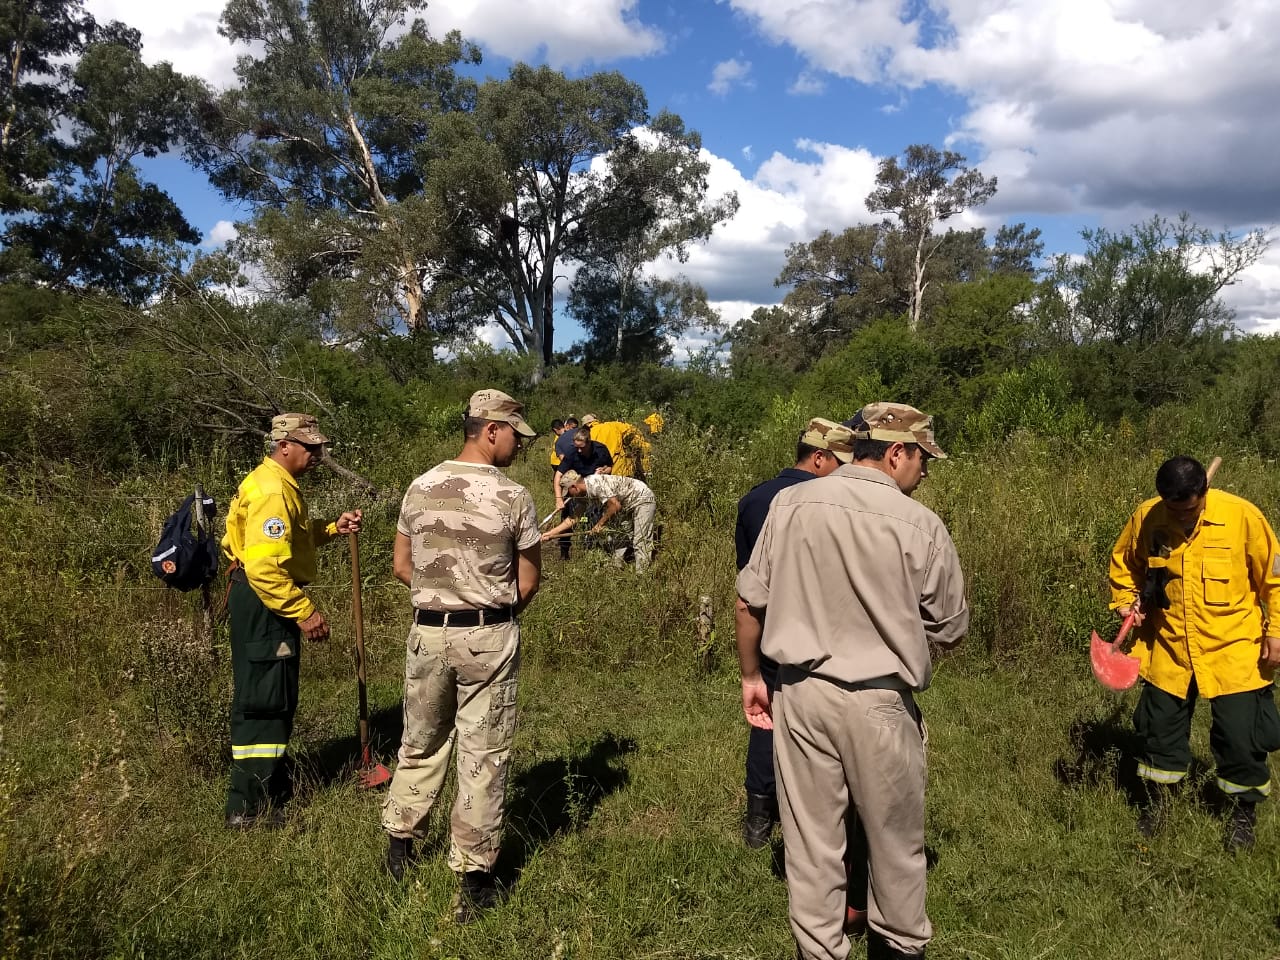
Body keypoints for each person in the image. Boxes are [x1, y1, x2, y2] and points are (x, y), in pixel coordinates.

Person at [736, 402, 968, 960]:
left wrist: (752, 675)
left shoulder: (789, 504)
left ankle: (818, 950)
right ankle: (897, 946)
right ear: (896, 452)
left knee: (813, 847)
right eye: (922, 458)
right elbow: (952, 626)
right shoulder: (920, 524)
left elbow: (751, 598)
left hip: (800, 695)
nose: (924, 471)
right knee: (895, 847)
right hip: (880, 704)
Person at [381, 389, 542, 922]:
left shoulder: (420, 487)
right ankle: (474, 880)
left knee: (420, 740)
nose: (519, 445)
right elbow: (528, 578)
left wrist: (442, 599)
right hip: (488, 636)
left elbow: (402, 565)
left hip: (427, 633)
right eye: (515, 435)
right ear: (490, 430)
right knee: (484, 753)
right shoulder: (514, 497)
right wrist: (488, 607)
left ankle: (399, 850)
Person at [1110, 455, 1280, 850]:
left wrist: (1277, 632)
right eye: (1175, 509)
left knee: (1242, 736)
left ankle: (1243, 814)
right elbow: (1124, 563)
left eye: (1189, 510)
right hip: (1168, 647)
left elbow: (1275, 580)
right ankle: (1158, 805)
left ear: (1204, 492)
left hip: (1234, 647)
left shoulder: (1242, 518)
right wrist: (1125, 602)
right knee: (1159, 731)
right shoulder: (1149, 518)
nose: (1182, 518)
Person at [221, 413, 363, 830]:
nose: (317, 454)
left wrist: (333, 528)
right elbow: (265, 569)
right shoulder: (270, 490)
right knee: (265, 700)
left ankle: (270, 787)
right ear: (284, 445)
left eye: (318, 446)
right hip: (268, 602)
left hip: (267, 601)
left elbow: (290, 540)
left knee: (273, 693)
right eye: (309, 446)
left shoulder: (279, 484)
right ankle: (248, 807)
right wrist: (304, 611)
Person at [734, 418, 853, 849]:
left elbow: (747, 581)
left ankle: (758, 823)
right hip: (821, 631)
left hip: (768, 628)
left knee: (765, 716)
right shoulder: (831, 503)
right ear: (819, 457)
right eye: (840, 462)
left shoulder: (753, 499)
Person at [544, 469, 657, 572]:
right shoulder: (583, 494)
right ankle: (616, 569)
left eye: (568, 493)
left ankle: (642, 576)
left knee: (640, 540)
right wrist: (550, 534)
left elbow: (615, 506)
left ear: (574, 487)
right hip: (625, 503)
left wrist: (599, 524)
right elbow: (574, 518)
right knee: (619, 537)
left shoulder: (595, 484)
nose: (569, 496)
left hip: (642, 498)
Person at [552, 426, 613, 559]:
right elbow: (558, 477)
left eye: (582, 447)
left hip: (594, 490)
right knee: (568, 518)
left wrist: (603, 471)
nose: (579, 450)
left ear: (589, 442)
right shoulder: (572, 453)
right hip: (575, 488)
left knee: (593, 518)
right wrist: (558, 499)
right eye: (577, 447)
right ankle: (564, 551)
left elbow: (609, 467)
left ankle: (592, 550)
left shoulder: (600, 450)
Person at [582, 413, 649, 480]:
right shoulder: (613, 425)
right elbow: (632, 431)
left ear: (586, 426)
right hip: (622, 469)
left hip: (604, 473)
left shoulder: (588, 436)